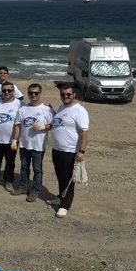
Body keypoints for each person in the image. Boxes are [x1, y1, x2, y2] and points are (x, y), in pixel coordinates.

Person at [50, 84, 89, 218]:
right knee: (60, 176)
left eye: (68, 94)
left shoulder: (80, 110)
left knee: (67, 178)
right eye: (63, 94)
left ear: (74, 95)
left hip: (70, 151)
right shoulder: (61, 108)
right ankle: (61, 196)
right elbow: (59, 123)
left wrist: (81, 151)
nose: (65, 96)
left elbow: (84, 132)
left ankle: (64, 205)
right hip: (57, 150)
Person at [11, 83, 54, 202]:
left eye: (36, 93)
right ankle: (23, 187)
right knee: (24, 168)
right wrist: (14, 140)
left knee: (37, 169)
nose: (33, 95)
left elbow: (53, 125)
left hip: (38, 146)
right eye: (31, 93)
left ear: (40, 93)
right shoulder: (23, 109)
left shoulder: (46, 109)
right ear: (28, 93)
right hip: (24, 144)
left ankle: (35, 190)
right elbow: (18, 126)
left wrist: (43, 127)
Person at [0, 81, 21, 191]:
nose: (6, 92)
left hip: (12, 140)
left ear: (13, 91)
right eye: (4, 90)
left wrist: (47, 107)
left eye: (9, 90)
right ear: (1, 91)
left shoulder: (19, 104)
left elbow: (32, 108)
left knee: (10, 162)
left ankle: (8, 180)